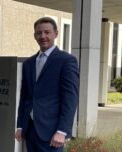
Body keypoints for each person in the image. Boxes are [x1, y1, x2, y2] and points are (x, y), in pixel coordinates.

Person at [15, 17, 79, 152]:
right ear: (34, 36)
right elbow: (24, 97)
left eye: (47, 32)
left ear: (56, 33)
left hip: (52, 133)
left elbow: (70, 98)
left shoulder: (67, 61)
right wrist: (20, 125)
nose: (43, 36)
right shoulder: (28, 63)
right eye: (39, 33)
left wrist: (62, 131)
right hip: (30, 130)